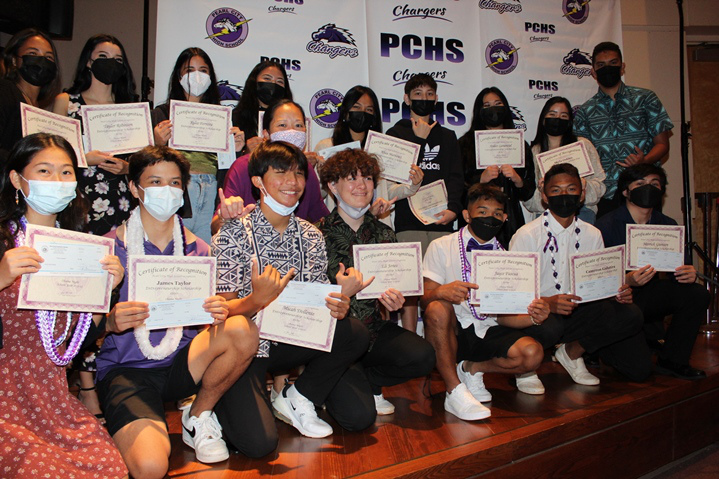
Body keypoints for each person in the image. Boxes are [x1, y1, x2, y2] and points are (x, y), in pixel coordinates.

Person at [95, 146, 258, 477]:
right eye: (155, 182)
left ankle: (197, 415)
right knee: (151, 467)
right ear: (134, 188)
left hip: (183, 364)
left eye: (174, 183)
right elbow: (81, 331)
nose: (166, 191)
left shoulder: (199, 250)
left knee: (242, 329)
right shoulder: (108, 249)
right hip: (128, 371)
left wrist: (214, 310)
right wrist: (109, 322)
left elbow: (203, 316)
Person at [213, 141, 374, 456]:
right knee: (259, 444)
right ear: (258, 181)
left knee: (354, 339)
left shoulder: (311, 235)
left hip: (296, 338)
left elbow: (317, 303)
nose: (293, 182)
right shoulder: (232, 233)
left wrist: (337, 304)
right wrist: (257, 300)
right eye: (281, 172)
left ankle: (297, 395)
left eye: (299, 173)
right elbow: (222, 312)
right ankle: (216, 405)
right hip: (249, 348)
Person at [0, 133, 127, 477]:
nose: (57, 181)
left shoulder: (83, 248)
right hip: (6, 396)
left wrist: (106, 292)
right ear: (17, 179)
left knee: (111, 469)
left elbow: (76, 340)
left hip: (52, 396)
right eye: (44, 171)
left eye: (66, 172)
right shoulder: (3, 241)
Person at [421, 183, 562, 421]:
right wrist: (441, 291)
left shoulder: (508, 259)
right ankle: (454, 391)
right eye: (482, 212)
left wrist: (534, 317)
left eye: (497, 213)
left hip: (487, 328)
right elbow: (424, 300)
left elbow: (505, 317)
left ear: (505, 218)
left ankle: (470, 369)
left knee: (532, 354)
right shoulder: (441, 246)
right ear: (467, 215)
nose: (490, 218)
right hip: (451, 331)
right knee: (437, 306)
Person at [317, 148, 436, 415]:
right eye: (351, 178)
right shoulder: (316, 233)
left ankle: (369, 380)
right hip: (335, 338)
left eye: (368, 178)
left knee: (424, 356)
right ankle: (343, 381)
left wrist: (394, 301)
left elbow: (390, 290)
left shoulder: (384, 233)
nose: (361, 185)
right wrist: (337, 292)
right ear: (332, 186)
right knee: (356, 416)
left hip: (373, 331)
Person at [510, 164, 652, 384]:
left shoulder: (592, 234)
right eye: (556, 190)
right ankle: (525, 368)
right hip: (540, 312)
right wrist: (548, 302)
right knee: (551, 325)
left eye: (571, 189)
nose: (564, 195)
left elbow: (596, 282)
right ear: (545, 196)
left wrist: (616, 291)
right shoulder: (526, 235)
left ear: (582, 194)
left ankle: (571, 353)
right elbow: (513, 295)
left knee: (630, 316)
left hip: (580, 311)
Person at [595, 164, 708, 379]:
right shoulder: (605, 226)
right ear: (626, 191)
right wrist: (626, 279)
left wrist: (688, 273)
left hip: (649, 294)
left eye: (654, 184)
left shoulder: (667, 225)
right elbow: (595, 279)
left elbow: (678, 270)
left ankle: (673, 360)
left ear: (662, 190)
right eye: (640, 183)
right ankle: (601, 348)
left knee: (696, 293)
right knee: (639, 370)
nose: (648, 188)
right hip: (617, 301)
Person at [386, 74, 464, 332]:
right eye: (418, 94)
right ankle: (410, 339)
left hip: (442, 221)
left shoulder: (448, 136)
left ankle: (442, 340)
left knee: (441, 287)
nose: (424, 98)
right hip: (409, 221)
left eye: (430, 94)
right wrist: (419, 139)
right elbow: (395, 180)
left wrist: (453, 210)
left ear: (436, 99)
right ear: (407, 99)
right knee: (410, 285)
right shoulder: (395, 134)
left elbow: (456, 177)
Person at [151, 47, 245, 244]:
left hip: (212, 190)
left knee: (206, 250)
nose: (197, 76)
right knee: (174, 249)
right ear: (179, 76)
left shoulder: (221, 117)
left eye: (203, 70)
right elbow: (145, 164)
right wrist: (156, 143)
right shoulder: (162, 114)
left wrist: (235, 148)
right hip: (180, 191)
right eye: (189, 70)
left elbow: (226, 166)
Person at [574, 41, 673, 218]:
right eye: (601, 65)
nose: (607, 68)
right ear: (593, 72)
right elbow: (583, 158)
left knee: (646, 236)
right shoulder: (585, 112)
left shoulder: (646, 99)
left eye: (613, 63)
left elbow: (662, 144)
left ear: (622, 67)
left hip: (644, 188)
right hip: (606, 194)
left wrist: (644, 160)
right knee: (609, 237)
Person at [53, 34, 137, 237]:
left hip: (119, 196)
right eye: (103, 56)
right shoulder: (67, 102)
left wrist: (127, 168)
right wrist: (84, 159)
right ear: (89, 62)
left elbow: (142, 159)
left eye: (118, 59)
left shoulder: (130, 108)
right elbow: (52, 154)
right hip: (78, 193)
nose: (111, 63)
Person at [212, 99, 328, 234]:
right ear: (266, 134)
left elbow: (322, 218)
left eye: (298, 125)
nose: (291, 131)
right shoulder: (243, 167)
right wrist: (226, 218)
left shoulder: (306, 169)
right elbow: (216, 226)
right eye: (282, 125)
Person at [314, 85, 424, 226]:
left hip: (375, 226)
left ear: (374, 117)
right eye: (357, 107)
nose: (362, 113)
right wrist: (322, 176)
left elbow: (388, 191)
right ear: (346, 112)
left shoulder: (381, 148)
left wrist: (412, 185)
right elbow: (317, 195)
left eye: (369, 110)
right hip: (338, 227)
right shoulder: (327, 147)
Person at [459, 87, 535, 247]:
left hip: (510, 220)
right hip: (476, 221)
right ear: (479, 110)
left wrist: (517, 179)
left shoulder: (519, 144)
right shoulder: (465, 144)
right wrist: (480, 179)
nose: (493, 109)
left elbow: (528, 192)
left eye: (498, 104)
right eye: (486, 105)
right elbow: (456, 186)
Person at [525, 96, 606, 224]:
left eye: (563, 116)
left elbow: (600, 186)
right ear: (543, 119)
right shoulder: (534, 152)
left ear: (569, 121)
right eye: (552, 114)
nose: (557, 119)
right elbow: (529, 200)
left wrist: (583, 185)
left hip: (581, 212)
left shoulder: (583, 145)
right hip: (546, 214)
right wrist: (543, 191)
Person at [0, 28, 61, 159]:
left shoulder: (37, 107)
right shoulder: (5, 91)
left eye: (48, 57)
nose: (41, 61)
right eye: (33, 53)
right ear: (14, 60)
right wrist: (24, 163)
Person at [232, 60, 293, 154]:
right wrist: (245, 153)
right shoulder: (235, 118)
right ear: (254, 82)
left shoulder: (291, 121)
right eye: (267, 79)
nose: (273, 84)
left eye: (280, 81)